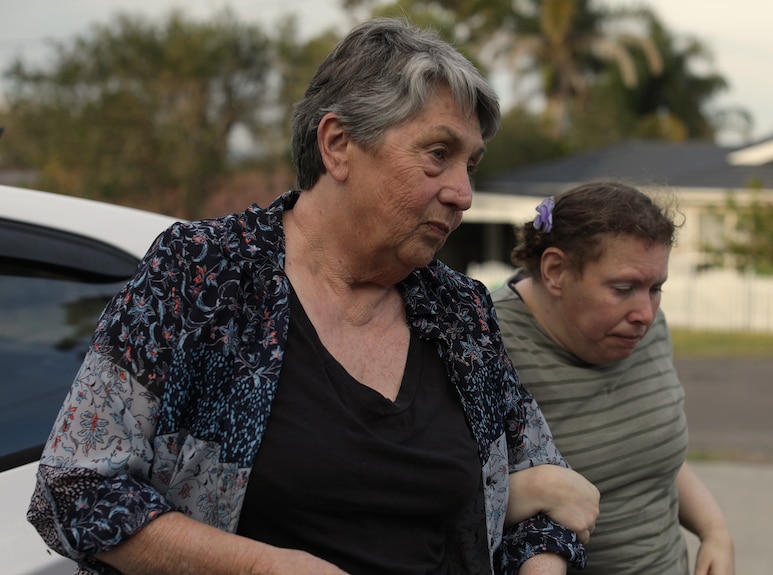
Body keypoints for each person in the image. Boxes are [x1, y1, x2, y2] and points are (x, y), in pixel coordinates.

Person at [27, 18, 600, 575]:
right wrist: (262, 568)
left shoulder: (458, 313)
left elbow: (546, 483)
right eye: (438, 155)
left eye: (470, 164)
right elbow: (74, 490)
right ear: (338, 145)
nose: (463, 194)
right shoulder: (204, 275)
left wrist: (541, 566)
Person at [491, 181, 735, 575]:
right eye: (623, 288)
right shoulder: (485, 345)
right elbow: (450, 497)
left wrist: (715, 530)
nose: (646, 313)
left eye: (656, 288)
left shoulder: (644, 330)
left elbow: (656, 453)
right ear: (555, 271)